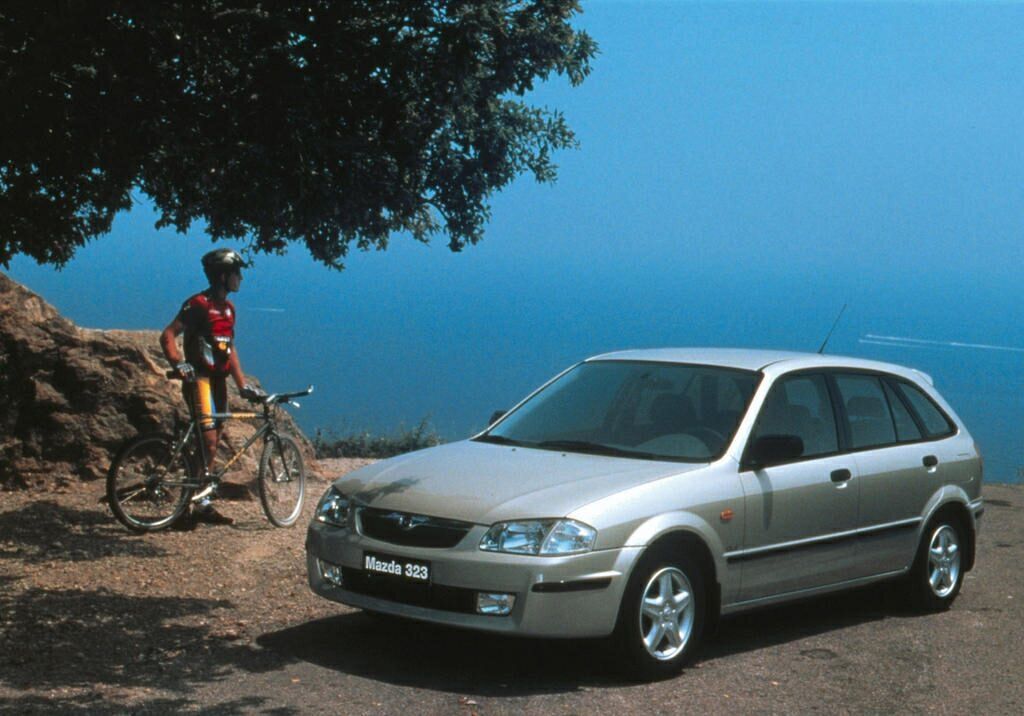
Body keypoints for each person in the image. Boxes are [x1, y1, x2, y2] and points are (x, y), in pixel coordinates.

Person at [160, 248, 265, 524]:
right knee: (207, 440)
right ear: (222, 276)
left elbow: (230, 348)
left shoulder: (229, 310)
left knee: (213, 443)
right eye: (236, 273)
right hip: (200, 380)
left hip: (219, 382)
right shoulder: (198, 304)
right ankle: (185, 506)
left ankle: (200, 502)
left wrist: (242, 385)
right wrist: (178, 363)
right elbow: (168, 335)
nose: (241, 278)